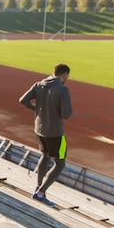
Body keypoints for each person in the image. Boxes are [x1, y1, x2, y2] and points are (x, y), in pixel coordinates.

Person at [19, 63, 73, 206]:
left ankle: (38, 186)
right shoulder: (63, 90)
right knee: (60, 164)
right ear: (64, 75)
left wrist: (35, 108)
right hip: (56, 133)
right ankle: (41, 193)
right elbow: (66, 114)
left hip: (40, 130)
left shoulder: (39, 85)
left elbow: (23, 100)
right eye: (67, 77)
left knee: (45, 155)